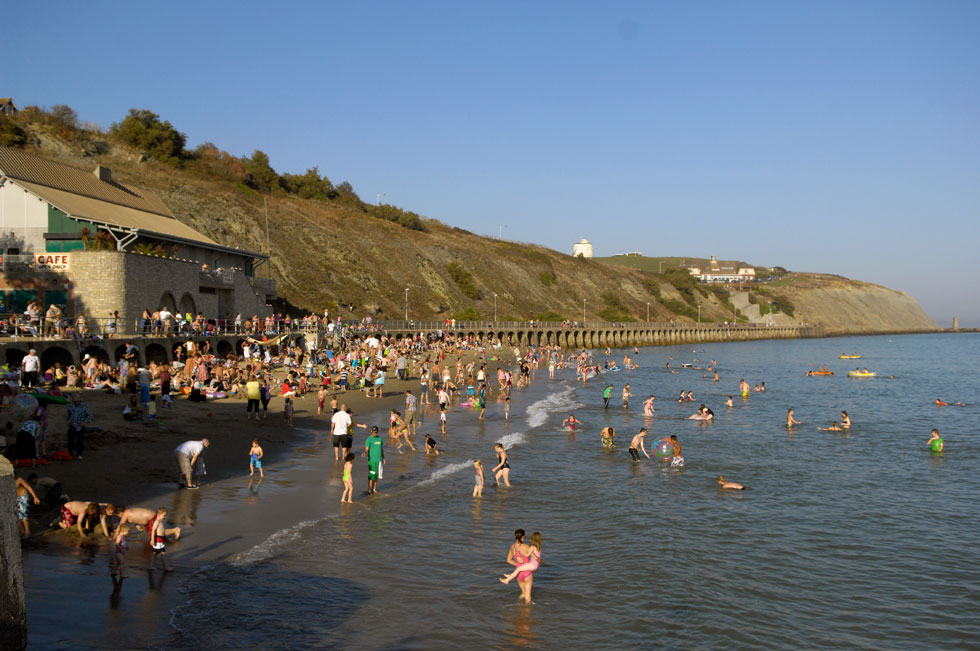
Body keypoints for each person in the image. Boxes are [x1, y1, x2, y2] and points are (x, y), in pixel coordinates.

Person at [505, 530, 536, 603]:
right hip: (527, 573)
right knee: (528, 598)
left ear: (514, 536)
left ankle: (517, 604)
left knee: (523, 593)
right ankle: (526, 612)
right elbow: (534, 558)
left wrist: (518, 565)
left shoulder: (512, 547)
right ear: (523, 537)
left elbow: (508, 560)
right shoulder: (526, 546)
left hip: (518, 574)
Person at [65, 394, 93, 460]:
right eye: (74, 401)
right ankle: (70, 454)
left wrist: (85, 422)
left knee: (79, 441)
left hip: (80, 426)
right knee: (70, 440)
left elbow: (90, 415)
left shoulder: (84, 406)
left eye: (77, 401)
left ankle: (79, 454)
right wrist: (67, 420)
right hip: (72, 425)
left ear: (80, 401)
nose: (76, 402)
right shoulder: (71, 406)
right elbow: (68, 413)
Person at [148, 507, 172, 572]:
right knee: (159, 553)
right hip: (158, 539)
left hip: (161, 539)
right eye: (164, 515)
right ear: (158, 514)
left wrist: (165, 538)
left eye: (166, 515)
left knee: (158, 553)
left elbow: (162, 531)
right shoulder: (157, 521)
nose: (165, 517)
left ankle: (152, 566)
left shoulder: (161, 522)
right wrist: (152, 540)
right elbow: (153, 531)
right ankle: (165, 567)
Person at [363, 426, 385, 494]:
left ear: (377, 432)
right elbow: (366, 448)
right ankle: (369, 489)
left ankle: (374, 489)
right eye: (372, 432)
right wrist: (364, 452)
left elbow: (381, 448)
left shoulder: (380, 439)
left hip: (379, 460)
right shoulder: (369, 439)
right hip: (372, 460)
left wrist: (383, 457)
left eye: (375, 432)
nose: (374, 434)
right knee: (372, 475)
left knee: (377, 476)